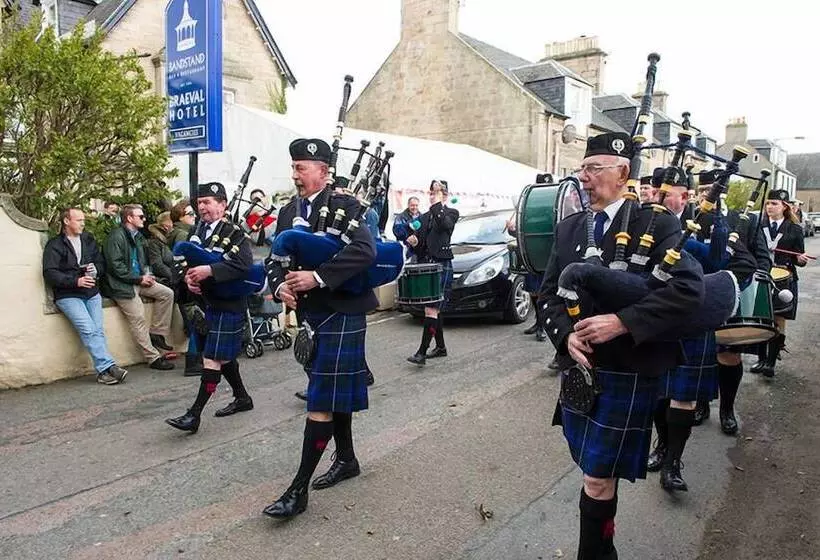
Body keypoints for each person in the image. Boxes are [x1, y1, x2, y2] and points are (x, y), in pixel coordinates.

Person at [539, 132, 704, 559]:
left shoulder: (657, 224)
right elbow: (548, 294)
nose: (584, 177)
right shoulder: (569, 227)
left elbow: (687, 290)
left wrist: (622, 322)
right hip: (581, 371)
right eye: (582, 169)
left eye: (594, 169)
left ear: (623, 172)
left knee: (598, 477)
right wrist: (566, 335)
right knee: (590, 470)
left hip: (627, 369)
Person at [262, 138, 377, 519]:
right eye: (294, 167)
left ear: (324, 171)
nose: (295, 175)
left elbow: (364, 251)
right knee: (330, 393)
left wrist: (318, 276)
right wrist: (279, 287)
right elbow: (275, 258)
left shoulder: (347, 206)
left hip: (342, 311)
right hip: (311, 317)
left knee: (321, 400)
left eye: (302, 168)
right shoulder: (287, 211)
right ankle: (347, 459)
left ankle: (297, 491)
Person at [165, 182, 255, 433]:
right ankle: (242, 398)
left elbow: (244, 266)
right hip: (207, 303)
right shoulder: (198, 231)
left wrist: (210, 270)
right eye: (199, 203)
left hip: (229, 303)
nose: (202, 207)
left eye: (207, 202)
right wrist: (188, 279)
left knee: (213, 358)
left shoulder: (235, 232)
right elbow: (183, 262)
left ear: (223, 205)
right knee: (222, 356)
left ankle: (194, 415)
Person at [691, 170, 771, 434]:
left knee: (729, 355)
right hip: (695, 297)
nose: (708, 195)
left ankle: (727, 409)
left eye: (714, 190)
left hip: (732, 295)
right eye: (704, 190)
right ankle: (700, 404)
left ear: (724, 193)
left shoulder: (743, 219)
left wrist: (749, 281)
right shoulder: (689, 218)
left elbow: (760, 257)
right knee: (699, 354)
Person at [43, 208, 128, 385]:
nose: (83, 223)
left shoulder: (88, 239)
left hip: (91, 293)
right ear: (66, 221)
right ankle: (108, 367)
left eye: (83, 220)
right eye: (79, 220)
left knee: (97, 330)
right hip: (68, 294)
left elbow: (101, 263)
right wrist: (76, 281)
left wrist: (96, 270)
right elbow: (50, 273)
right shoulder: (55, 245)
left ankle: (104, 372)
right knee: (88, 329)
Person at [103, 204, 175, 371]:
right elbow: (115, 267)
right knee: (138, 318)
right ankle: (153, 358)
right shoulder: (116, 237)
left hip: (137, 280)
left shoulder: (138, 237)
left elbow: (141, 262)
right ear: (129, 218)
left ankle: (157, 333)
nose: (144, 219)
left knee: (167, 294)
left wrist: (147, 276)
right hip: (121, 285)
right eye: (140, 217)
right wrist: (139, 278)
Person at [754, 189, 808, 377]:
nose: (769, 207)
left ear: (784, 207)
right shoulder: (758, 225)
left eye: (774, 203)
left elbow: (799, 257)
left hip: (784, 278)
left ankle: (770, 362)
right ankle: (761, 359)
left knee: (778, 319)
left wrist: (800, 259)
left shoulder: (795, 229)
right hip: (762, 275)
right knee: (760, 318)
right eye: (768, 203)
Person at [406, 180, 459, 365]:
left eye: (436, 192)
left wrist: (437, 204)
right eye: (431, 193)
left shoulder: (451, 213)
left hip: (442, 264)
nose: (431, 196)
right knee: (434, 309)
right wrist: (414, 242)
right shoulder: (424, 217)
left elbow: (445, 225)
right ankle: (441, 347)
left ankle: (421, 353)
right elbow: (420, 243)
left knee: (432, 309)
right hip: (427, 266)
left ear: (445, 195)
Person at [146, 211, 176, 288]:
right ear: (166, 226)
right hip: (163, 282)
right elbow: (157, 265)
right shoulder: (154, 242)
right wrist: (175, 276)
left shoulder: (164, 241)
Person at [392, 196, 422, 260]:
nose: (414, 207)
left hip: (418, 250)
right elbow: (397, 232)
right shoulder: (400, 217)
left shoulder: (422, 217)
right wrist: (408, 226)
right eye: (412, 205)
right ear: (408, 205)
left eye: (416, 205)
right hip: (404, 249)